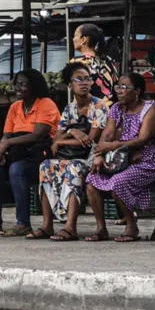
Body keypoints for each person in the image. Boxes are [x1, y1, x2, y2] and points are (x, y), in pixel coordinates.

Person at [36, 62, 109, 242]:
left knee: (73, 169)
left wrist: (63, 140)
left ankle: (70, 227)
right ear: (70, 85)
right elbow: (56, 138)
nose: (84, 83)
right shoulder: (69, 109)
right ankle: (47, 225)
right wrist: (72, 131)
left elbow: (89, 141)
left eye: (87, 79)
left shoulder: (99, 107)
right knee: (45, 167)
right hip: (71, 156)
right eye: (79, 79)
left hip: (93, 157)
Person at [84, 73, 155, 243]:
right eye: (118, 87)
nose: (119, 91)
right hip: (118, 160)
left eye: (124, 87)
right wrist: (99, 154)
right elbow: (108, 133)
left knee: (118, 182)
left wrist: (115, 145)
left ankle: (132, 225)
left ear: (138, 91)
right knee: (91, 180)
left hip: (144, 162)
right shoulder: (117, 108)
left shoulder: (149, 108)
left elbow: (143, 139)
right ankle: (101, 228)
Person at [0, 68, 61, 237]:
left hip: (40, 154)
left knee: (16, 170)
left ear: (34, 86)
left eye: (23, 84)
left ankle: (23, 223)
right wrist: (2, 148)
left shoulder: (46, 104)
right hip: (18, 152)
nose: (18, 88)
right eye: (16, 84)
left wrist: (7, 144)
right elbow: (7, 133)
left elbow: (37, 135)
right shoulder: (15, 107)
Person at [72, 23, 119, 105]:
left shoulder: (79, 63)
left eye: (75, 36)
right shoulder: (108, 60)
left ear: (83, 39)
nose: (73, 39)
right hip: (110, 111)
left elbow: (80, 94)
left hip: (91, 112)